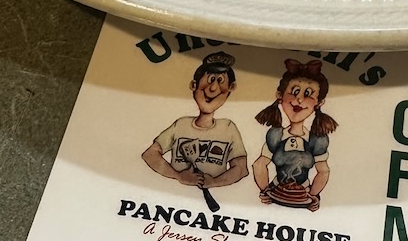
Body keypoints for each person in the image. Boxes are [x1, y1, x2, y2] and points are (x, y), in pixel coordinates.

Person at [142, 52, 247, 205]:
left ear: (231, 88)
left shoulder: (228, 128)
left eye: (220, 82)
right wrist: (179, 176)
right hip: (171, 200)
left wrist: (214, 182)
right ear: (193, 85)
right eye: (210, 80)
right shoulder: (181, 125)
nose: (213, 88)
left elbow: (241, 168)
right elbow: (150, 154)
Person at [252, 59, 338, 212]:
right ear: (280, 96)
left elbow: (323, 171)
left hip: (302, 195)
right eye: (294, 92)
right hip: (275, 191)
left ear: (319, 103)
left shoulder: (316, 139)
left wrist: (313, 196)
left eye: (308, 94)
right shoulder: (276, 134)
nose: (299, 99)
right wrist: (265, 191)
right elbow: (259, 164)